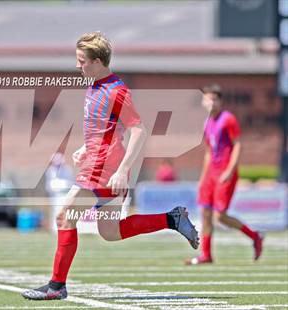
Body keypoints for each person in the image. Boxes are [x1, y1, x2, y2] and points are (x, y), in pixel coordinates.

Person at [22, 31, 199, 301]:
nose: (78, 66)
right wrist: (85, 148)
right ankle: (171, 219)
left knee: (65, 216)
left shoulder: (116, 90)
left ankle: (57, 286)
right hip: (99, 162)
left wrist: (120, 170)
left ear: (97, 61)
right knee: (110, 231)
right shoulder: (94, 85)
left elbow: (139, 130)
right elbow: (105, 129)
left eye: (82, 61)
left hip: (104, 168)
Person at [185, 84, 263, 265]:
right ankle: (206, 255)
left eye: (214, 99)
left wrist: (230, 170)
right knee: (205, 212)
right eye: (208, 99)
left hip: (224, 173)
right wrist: (203, 177)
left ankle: (255, 236)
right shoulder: (207, 122)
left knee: (220, 216)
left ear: (220, 101)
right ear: (203, 101)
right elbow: (209, 152)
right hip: (211, 174)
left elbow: (238, 145)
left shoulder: (228, 119)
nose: (211, 102)